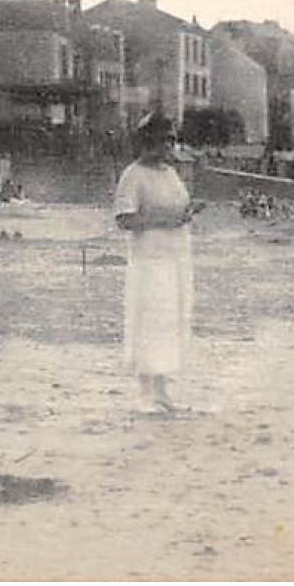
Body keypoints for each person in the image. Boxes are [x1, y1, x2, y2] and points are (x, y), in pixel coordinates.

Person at [113, 112, 196, 416]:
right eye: (163, 141)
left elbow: (178, 207)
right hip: (150, 258)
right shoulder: (133, 175)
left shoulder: (169, 173)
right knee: (152, 320)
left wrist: (186, 213)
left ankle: (161, 389)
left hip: (176, 256)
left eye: (171, 141)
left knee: (171, 320)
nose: (168, 147)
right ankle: (149, 391)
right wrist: (167, 220)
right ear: (147, 143)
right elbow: (125, 218)